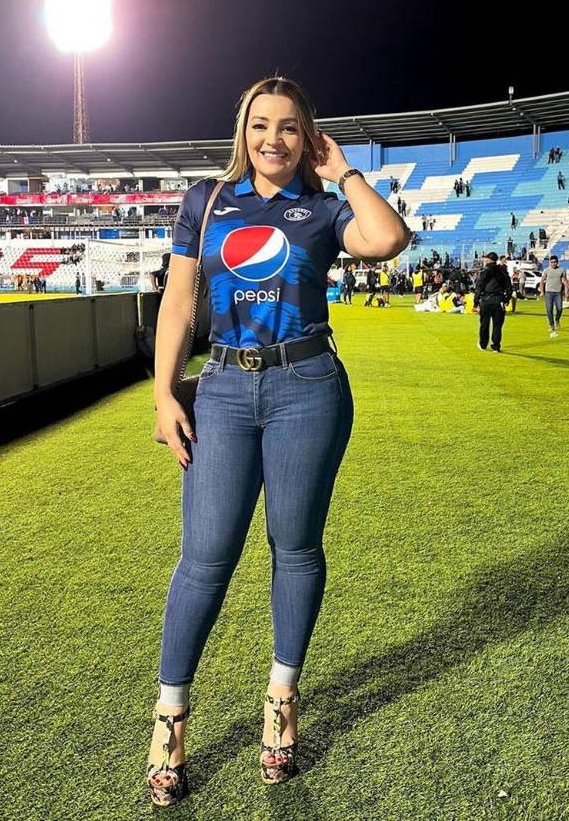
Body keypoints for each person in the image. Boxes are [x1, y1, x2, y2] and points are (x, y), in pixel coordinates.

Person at [148, 76, 409, 805]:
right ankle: (170, 719)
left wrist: (346, 172)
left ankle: (281, 704)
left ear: (309, 137)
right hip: (225, 389)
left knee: (295, 548)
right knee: (204, 559)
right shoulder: (205, 202)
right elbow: (177, 300)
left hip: (308, 388)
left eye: (289, 127)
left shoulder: (324, 210)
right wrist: (165, 392)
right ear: (243, 131)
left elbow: (387, 238)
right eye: (260, 125)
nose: (272, 139)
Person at [473, 252, 512, 351]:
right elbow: (509, 287)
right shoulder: (503, 271)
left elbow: (479, 286)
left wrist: (476, 301)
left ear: (489, 260)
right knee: (497, 325)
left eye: (485, 259)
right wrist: (507, 299)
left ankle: (483, 344)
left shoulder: (485, 271)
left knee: (484, 324)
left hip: (486, 300)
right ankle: (496, 346)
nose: (484, 261)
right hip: (499, 300)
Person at [538, 255, 567, 336]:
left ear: (557, 262)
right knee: (549, 310)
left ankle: (557, 320)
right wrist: (542, 291)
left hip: (558, 293)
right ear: (549, 263)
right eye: (552, 262)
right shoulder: (546, 270)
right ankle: (551, 324)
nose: (553, 264)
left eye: (555, 262)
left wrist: (566, 291)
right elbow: (542, 281)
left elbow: (565, 281)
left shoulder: (561, 270)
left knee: (559, 308)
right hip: (548, 293)